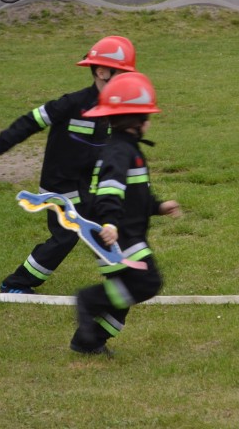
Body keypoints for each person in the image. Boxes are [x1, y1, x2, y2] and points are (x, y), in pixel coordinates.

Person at [0, 36, 138, 294]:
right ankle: (16, 283)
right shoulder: (71, 104)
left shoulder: (120, 112)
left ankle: (118, 281)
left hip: (89, 185)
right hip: (59, 185)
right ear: (102, 72)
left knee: (104, 228)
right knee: (67, 235)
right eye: (122, 74)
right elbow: (30, 122)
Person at [70, 72, 181, 355]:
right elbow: (109, 191)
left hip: (120, 232)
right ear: (137, 119)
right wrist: (109, 223)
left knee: (123, 296)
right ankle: (88, 300)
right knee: (147, 282)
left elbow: (134, 195)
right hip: (115, 235)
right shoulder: (119, 151)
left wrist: (158, 207)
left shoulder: (128, 148)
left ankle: (88, 341)